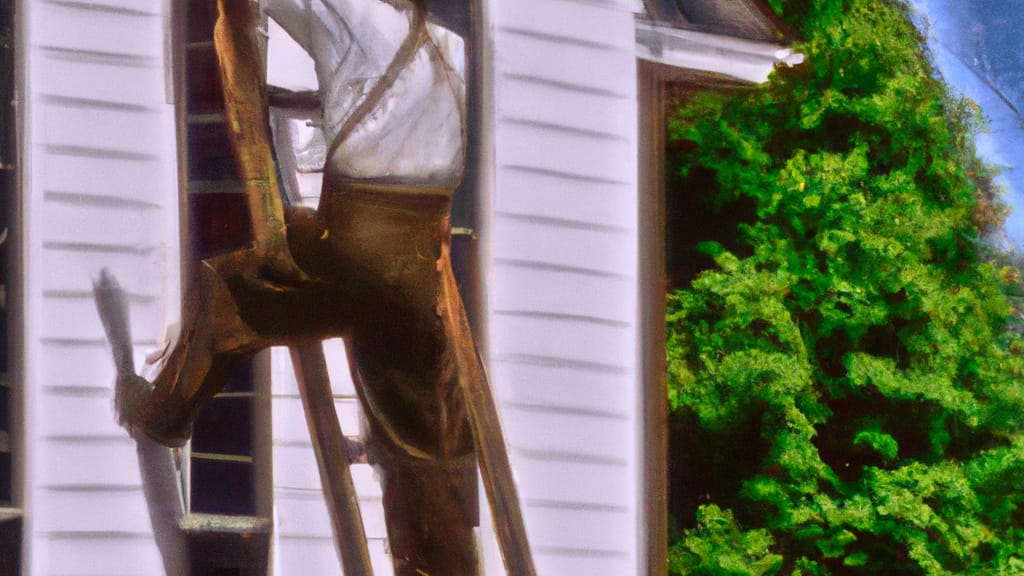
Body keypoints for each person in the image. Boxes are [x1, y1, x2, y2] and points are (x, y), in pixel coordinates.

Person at [107, 1, 484, 573]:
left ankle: (166, 414)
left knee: (231, 289)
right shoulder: (451, 45)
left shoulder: (356, 14)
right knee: (422, 437)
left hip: (360, 254)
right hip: (420, 257)